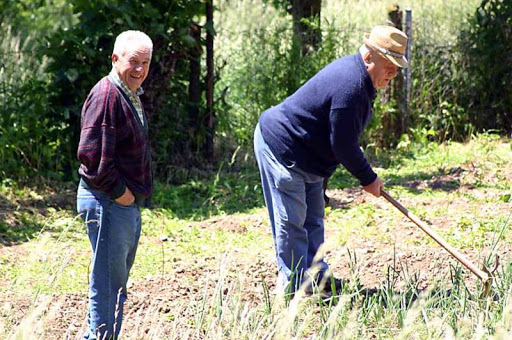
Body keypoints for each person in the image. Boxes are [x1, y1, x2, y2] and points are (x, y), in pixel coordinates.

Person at [254, 25, 408, 297]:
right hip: (283, 148)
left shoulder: (362, 82)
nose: (394, 73)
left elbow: (336, 139)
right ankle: (294, 287)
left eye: (398, 66)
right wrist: (368, 178)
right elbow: (344, 145)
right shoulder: (350, 86)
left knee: (313, 219)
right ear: (370, 57)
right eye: (390, 64)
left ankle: (317, 278)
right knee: (293, 221)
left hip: (310, 158)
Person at [76, 30, 154, 339]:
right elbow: (93, 157)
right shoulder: (108, 95)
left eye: (145, 63)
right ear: (115, 58)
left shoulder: (129, 92)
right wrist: (121, 195)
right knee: (109, 284)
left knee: (113, 284)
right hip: (107, 200)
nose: (139, 70)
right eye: (133, 62)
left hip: (119, 202)